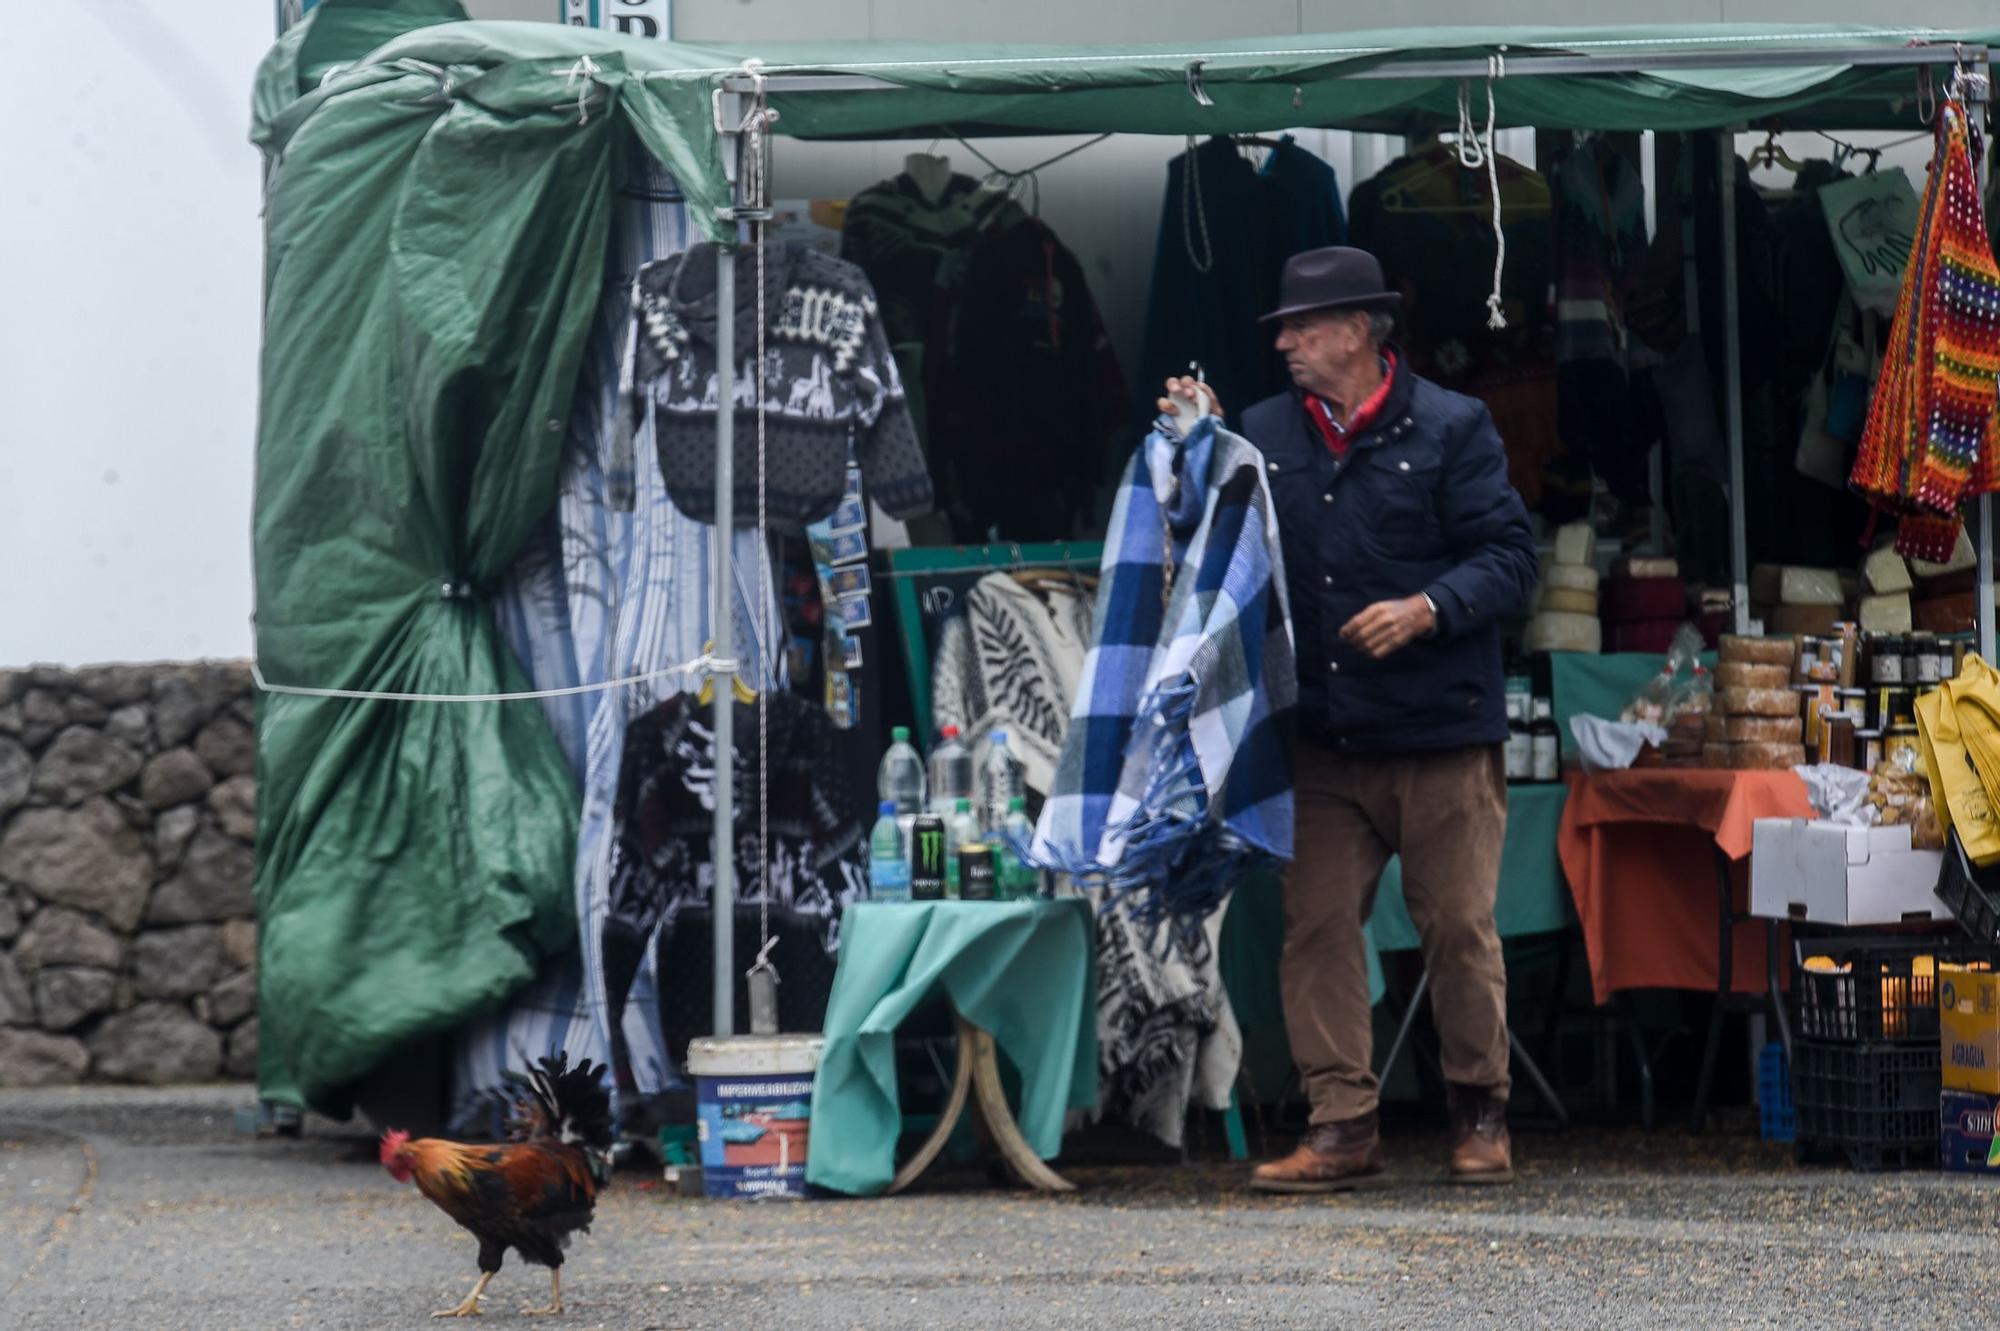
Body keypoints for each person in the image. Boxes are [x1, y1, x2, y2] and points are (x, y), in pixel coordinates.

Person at [1161, 246, 1538, 1191]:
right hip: (1325, 735)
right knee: (1317, 926)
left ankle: (1480, 1110)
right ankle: (1342, 1127)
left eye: (1304, 326)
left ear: (1364, 334)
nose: (1285, 342)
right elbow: (1217, 542)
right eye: (1284, 328)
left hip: (1442, 733)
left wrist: (1427, 608)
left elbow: (1510, 558)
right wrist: (1195, 445)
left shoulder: (1455, 426)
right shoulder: (1261, 431)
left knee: (1457, 925)